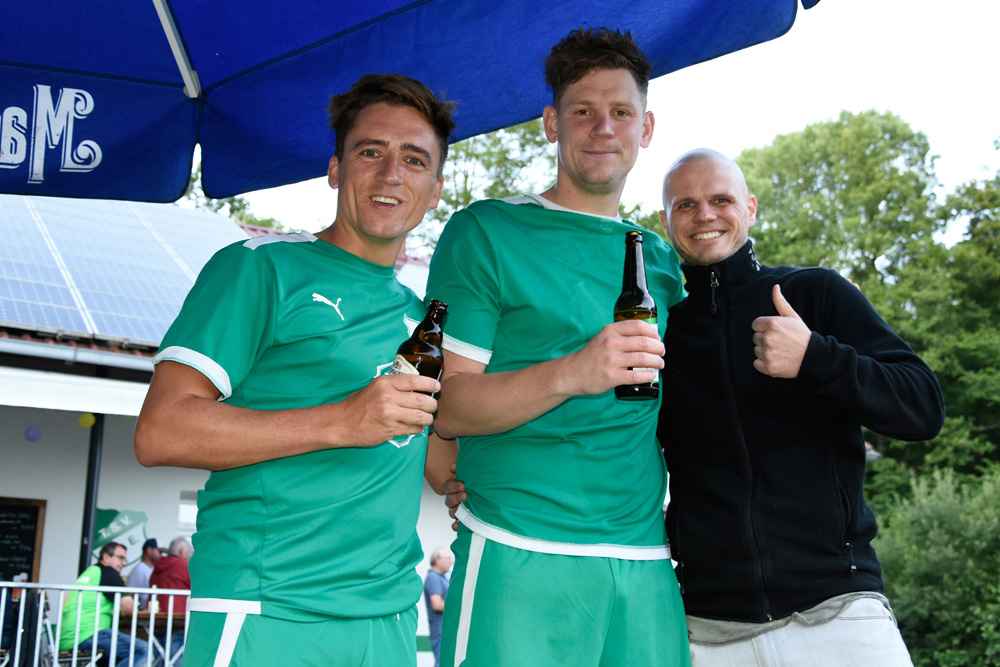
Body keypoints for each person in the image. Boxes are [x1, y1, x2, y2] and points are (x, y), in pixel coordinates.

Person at [134, 73, 457, 666]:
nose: (391, 175)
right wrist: (342, 419)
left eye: (414, 160)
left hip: (387, 622)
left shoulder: (423, 321)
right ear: (335, 168)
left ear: (435, 189)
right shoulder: (259, 268)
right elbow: (160, 432)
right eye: (370, 152)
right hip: (268, 610)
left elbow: (437, 464)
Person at [426, 27, 690, 667]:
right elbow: (445, 408)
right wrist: (574, 371)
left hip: (644, 555)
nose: (603, 127)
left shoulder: (659, 259)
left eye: (621, 112)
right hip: (520, 546)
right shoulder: (485, 231)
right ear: (551, 123)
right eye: (583, 111)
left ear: (646, 128)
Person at [656, 148, 946, 666]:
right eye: (686, 205)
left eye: (720, 199)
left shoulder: (814, 293)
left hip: (840, 613)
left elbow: (922, 407)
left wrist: (817, 356)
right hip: (708, 630)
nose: (704, 215)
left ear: (750, 207)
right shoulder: (659, 328)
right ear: (665, 220)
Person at [59, 541, 149, 667]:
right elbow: (129, 609)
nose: (124, 563)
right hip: (88, 635)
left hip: (69, 638)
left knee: (116, 657)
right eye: (120, 558)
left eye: (125, 559)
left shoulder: (92, 571)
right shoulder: (108, 573)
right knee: (142, 649)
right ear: (106, 557)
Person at [149, 536, 193, 666]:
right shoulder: (185, 566)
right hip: (178, 621)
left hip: (157, 621)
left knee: (159, 661)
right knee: (176, 660)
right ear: (181, 551)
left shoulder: (156, 568)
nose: (189, 555)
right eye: (189, 552)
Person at [423, 547, 452, 667]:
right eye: (448, 559)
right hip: (440, 633)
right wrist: (457, 607)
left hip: (444, 632)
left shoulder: (441, 578)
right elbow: (437, 604)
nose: (451, 562)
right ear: (438, 560)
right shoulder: (433, 578)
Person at [126, 537, 162, 609]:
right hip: (141, 614)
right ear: (149, 550)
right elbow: (130, 594)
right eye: (159, 551)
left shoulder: (152, 568)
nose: (161, 555)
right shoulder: (139, 570)